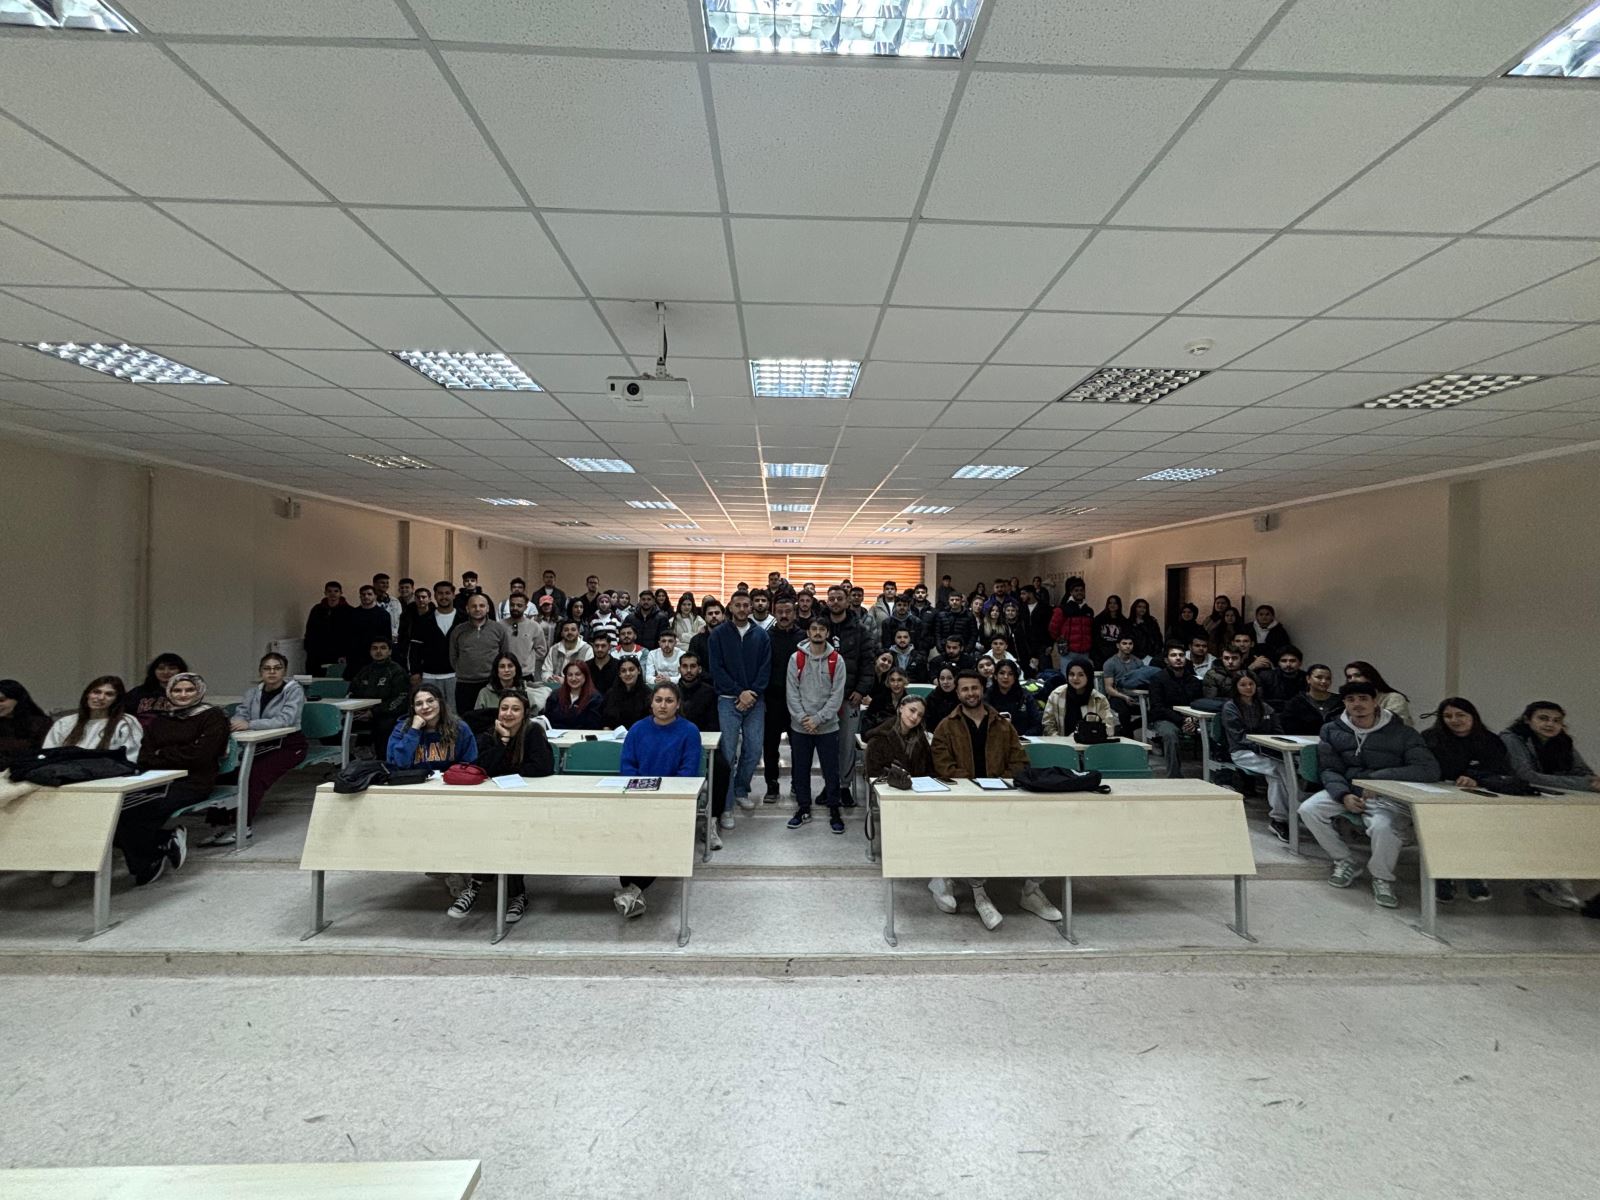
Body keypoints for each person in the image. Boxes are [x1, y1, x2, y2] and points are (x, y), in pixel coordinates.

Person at [928, 672, 1060, 929]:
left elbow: (1019, 761)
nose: (970, 693)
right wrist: (975, 784)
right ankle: (980, 894)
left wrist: (1000, 781)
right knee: (974, 837)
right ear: (957, 693)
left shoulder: (1002, 724)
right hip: (965, 799)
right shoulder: (946, 726)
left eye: (974, 688)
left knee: (1043, 830)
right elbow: (943, 766)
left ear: (982, 689)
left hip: (1001, 796)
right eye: (965, 689)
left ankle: (1031, 891)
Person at [1297, 682, 1439, 909]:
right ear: (1344, 703)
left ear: (1375, 702)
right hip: (1348, 789)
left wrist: (1377, 781)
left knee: (1383, 827)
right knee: (1309, 809)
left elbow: (1428, 769)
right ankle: (1345, 860)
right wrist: (1343, 795)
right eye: (1351, 700)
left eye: (1363, 699)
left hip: (1386, 795)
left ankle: (1382, 877)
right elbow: (1330, 769)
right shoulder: (1332, 730)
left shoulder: (1403, 733)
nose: (1357, 704)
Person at [613, 681, 703, 918]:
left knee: (653, 839)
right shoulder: (637, 729)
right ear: (651, 703)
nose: (663, 705)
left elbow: (688, 771)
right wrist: (641, 794)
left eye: (669, 701)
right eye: (659, 700)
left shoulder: (689, 731)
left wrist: (663, 796)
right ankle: (630, 889)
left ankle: (632, 890)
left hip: (672, 801)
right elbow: (627, 766)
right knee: (630, 840)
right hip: (638, 798)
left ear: (678, 705)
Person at [131, 673, 230, 885]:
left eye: (189, 690)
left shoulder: (213, 716)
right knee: (122, 811)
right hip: (155, 779)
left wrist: (163, 754)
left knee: (146, 810)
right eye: (177, 690)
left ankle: (147, 862)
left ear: (199, 691)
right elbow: (145, 756)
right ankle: (162, 842)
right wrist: (181, 753)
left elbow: (202, 755)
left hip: (194, 781)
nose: (183, 695)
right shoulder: (161, 719)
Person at [1501, 701, 1600, 911]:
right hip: (1516, 802)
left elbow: (1584, 773)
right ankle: (1551, 883)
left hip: (1554, 799)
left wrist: (1588, 782)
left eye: (1556, 721)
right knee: (1554, 830)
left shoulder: (1563, 741)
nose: (1550, 724)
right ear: (1527, 720)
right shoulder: (1512, 739)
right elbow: (1526, 776)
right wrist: (1583, 784)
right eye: (1543, 718)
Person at [201, 652, 307, 844]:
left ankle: (243, 826)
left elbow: (286, 720)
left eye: (277, 668)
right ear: (260, 671)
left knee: (254, 775)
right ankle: (219, 826)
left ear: (284, 671)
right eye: (267, 668)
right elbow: (241, 714)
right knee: (227, 772)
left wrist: (250, 724)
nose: (272, 672)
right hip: (259, 743)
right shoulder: (253, 693)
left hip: (289, 745)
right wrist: (237, 722)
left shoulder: (293, 691)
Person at [1421, 698, 1511, 904]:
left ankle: (1473, 874)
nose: (1454, 720)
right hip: (1438, 795)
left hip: (1479, 796)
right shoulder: (1430, 738)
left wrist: (1476, 778)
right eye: (1448, 716)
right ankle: (1443, 876)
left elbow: (1500, 770)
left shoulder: (1490, 741)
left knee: (1475, 827)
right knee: (1442, 824)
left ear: (1473, 716)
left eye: (1460, 715)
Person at [708, 590, 771, 824]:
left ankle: (741, 789)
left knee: (754, 750)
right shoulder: (718, 635)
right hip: (727, 700)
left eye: (746, 605)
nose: (743, 609)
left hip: (755, 700)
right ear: (731, 607)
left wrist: (751, 693)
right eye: (738, 605)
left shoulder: (761, 635)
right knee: (727, 753)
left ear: (751, 607)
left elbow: (765, 668)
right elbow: (716, 669)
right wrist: (739, 692)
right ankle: (726, 807)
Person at [785, 616, 848, 833]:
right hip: (800, 726)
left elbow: (836, 696)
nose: (818, 632)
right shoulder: (796, 659)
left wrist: (818, 719)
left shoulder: (837, 660)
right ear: (808, 632)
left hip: (828, 727)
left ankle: (834, 809)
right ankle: (803, 808)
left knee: (831, 771)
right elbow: (792, 692)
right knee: (800, 770)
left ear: (828, 633)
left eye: (822, 629)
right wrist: (804, 718)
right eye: (814, 629)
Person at [1220, 673, 1291, 842]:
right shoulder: (1230, 707)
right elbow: (1238, 737)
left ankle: (1285, 815)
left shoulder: (1265, 707)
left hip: (1267, 751)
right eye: (1243, 685)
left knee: (1284, 769)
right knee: (1277, 770)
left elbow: (1277, 731)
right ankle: (1282, 817)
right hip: (1242, 752)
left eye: (1251, 684)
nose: (1248, 688)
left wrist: (1272, 744)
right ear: (1236, 687)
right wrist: (1260, 745)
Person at [761, 596, 804, 804]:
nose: (784, 615)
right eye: (780, 612)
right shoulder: (765, 637)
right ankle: (772, 785)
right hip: (772, 700)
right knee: (770, 746)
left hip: (798, 701)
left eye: (788, 611)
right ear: (774, 613)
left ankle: (798, 783)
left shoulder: (804, 638)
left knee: (799, 746)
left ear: (794, 613)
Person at [42, 676, 142, 761]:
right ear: (87, 694)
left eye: (109, 694)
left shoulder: (125, 722)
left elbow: (130, 758)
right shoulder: (64, 723)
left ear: (117, 699)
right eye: (96, 692)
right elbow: (47, 755)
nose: (101, 697)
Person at [386, 683, 479, 768]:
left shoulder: (460, 727)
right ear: (413, 708)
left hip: (450, 780)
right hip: (414, 779)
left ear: (440, 702)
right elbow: (398, 764)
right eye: (419, 704)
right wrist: (414, 730)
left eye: (430, 701)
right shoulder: (402, 729)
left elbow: (470, 763)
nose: (425, 707)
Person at [1147, 642, 1204, 778]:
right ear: (1166, 660)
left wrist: (1193, 720)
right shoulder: (1157, 679)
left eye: (1181, 655)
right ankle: (1174, 776)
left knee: (1212, 731)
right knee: (1170, 735)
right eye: (1173, 655)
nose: (1178, 658)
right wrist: (1182, 720)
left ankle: (1216, 776)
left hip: (1191, 718)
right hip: (1165, 718)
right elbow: (1158, 707)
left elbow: (1199, 703)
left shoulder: (1194, 681)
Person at [448, 592, 510, 715]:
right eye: (474, 606)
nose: (477, 609)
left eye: (481, 606)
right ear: (467, 609)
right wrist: (464, 671)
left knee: (491, 719)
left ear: (487, 608)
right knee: (466, 719)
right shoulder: (458, 630)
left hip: (491, 684)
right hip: (465, 685)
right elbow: (453, 657)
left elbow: (504, 655)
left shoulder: (498, 629)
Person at [348, 636, 410, 748]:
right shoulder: (364, 671)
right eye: (375, 648)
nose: (378, 651)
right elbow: (352, 691)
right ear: (370, 652)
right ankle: (348, 755)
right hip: (361, 713)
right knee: (333, 724)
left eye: (383, 648)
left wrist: (373, 712)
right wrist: (357, 711)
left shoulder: (397, 671)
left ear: (389, 651)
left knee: (384, 727)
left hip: (387, 714)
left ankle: (382, 757)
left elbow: (400, 699)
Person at [410, 582, 463, 694]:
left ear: (453, 595)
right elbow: (415, 649)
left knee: (455, 706)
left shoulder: (464, 619)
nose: (444, 597)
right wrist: (415, 672)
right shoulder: (423, 620)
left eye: (447, 593)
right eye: (440, 593)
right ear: (434, 596)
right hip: (429, 676)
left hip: (457, 676)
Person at [865, 694, 934, 778]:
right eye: (912, 710)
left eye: (920, 715)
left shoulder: (920, 739)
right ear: (901, 708)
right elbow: (874, 774)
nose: (915, 717)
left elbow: (930, 770)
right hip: (889, 785)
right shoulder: (879, 738)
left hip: (919, 785)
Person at [1041, 661, 1114, 737]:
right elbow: (1047, 725)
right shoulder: (1056, 695)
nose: (1075, 678)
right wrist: (1061, 740)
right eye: (1071, 674)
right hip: (1059, 743)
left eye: (1081, 675)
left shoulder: (1099, 699)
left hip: (1090, 743)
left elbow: (1109, 727)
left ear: (1088, 676)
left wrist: (1089, 735)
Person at [304, 581, 353, 676]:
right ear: (325, 593)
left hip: (339, 653)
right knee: (315, 677)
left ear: (341, 593)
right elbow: (310, 630)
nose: (332, 594)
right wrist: (309, 647)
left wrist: (346, 654)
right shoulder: (317, 609)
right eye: (329, 591)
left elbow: (351, 635)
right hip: (317, 652)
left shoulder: (349, 611)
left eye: (336, 591)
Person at [0, 679, 52, 769]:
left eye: (1, 700)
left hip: (29, 770)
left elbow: (45, 754)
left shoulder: (40, 723)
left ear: (18, 699)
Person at [125, 653, 188, 726]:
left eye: (172, 668)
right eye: (161, 668)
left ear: (181, 671)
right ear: (154, 671)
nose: (166, 672)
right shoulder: (138, 692)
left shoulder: (189, 693)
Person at [345, 585, 393, 680]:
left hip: (376, 656)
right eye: (363, 594)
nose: (366, 596)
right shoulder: (352, 614)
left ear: (375, 596)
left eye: (369, 594)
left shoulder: (384, 615)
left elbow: (387, 638)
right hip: (356, 657)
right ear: (360, 596)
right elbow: (348, 636)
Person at [1344, 661, 1413, 727]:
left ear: (1369, 677)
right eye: (1349, 677)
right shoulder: (1348, 700)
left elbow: (1396, 724)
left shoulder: (1393, 698)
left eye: (1357, 675)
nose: (1353, 680)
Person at [501, 592, 549, 682]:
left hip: (526, 674)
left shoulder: (534, 626)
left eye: (519, 605)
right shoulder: (500, 625)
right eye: (512, 605)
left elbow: (542, 650)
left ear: (526, 607)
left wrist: (528, 660)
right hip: (504, 673)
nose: (515, 608)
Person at [985, 661, 1041, 735]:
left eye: (1010, 674)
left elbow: (1037, 724)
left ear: (1015, 677)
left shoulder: (1025, 696)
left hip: (1022, 738)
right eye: (1002, 673)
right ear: (995, 676)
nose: (1006, 677)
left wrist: (1023, 737)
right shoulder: (987, 696)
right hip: (994, 738)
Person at [1282, 663, 1341, 735]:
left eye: (1328, 678)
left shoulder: (1340, 702)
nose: (1324, 681)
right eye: (1319, 677)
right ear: (1308, 679)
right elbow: (1289, 728)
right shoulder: (1295, 703)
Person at [545, 661, 605, 731]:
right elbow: (546, 718)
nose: (573, 678)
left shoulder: (595, 698)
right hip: (555, 736)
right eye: (570, 675)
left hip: (582, 736)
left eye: (578, 674)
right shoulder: (555, 695)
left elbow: (593, 725)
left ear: (585, 676)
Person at [1048, 577, 1094, 666]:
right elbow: (1053, 628)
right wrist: (1060, 640)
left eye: (1081, 590)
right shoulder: (1062, 609)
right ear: (1071, 592)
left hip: (1085, 652)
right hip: (1068, 653)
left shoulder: (1089, 610)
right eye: (1076, 590)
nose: (1079, 592)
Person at [541, 618, 595, 692]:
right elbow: (546, 671)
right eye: (566, 630)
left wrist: (565, 681)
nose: (569, 632)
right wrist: (549, 678)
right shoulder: (554, 649)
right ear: (562, 633)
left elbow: (587, 675)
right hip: (554, 687)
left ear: (578, 632)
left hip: (579, 689)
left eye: (573, 630)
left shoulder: (587, 649)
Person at [602, 658, 652, 729]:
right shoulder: (611, 694)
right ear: (619, 674)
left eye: (631, 670)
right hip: (613, 734)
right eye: (623, 671)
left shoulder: (648, 694)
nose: (627, 674)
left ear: (639, 671)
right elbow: (605, 720)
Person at [1198, 648, 1247, 714]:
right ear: (1221, 659)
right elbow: (1210, 700)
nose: (1230, 661)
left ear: (1241, 659)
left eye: (1234, 658)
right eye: (1226, 658)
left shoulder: (1249, 674)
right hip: (1221, 711)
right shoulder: (1212, 675)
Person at [931, 592, 978, 657]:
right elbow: (937, 633)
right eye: (952, 600)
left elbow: (973, 634)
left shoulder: (969, 616)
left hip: (963, 650)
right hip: (944, 649)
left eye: (957, 600)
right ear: (948, 601)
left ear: (961, 601)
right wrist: (940, 649)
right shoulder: (941, 615)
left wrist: (967, 650)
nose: (954, 602)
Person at [866, 668, 913, 733]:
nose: (896, 684)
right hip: (879, 734)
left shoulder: (910, 702)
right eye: (892, 680)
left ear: (905, 681)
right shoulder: (878, 700)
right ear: (888, 682)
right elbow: (868, 721)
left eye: (899, 680)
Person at [1091, 595, 1127, 667]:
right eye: (1110, 603)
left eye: (1115, 603)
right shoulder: (1099, 619)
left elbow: (1124, 638)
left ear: (1119, 605)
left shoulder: (1124, 621)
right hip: (1100, 655)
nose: (1112, 605)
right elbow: (1094, 637)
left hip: (1116, 655)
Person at [687, 599, 723, 668]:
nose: (714, 616)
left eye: (717, 613)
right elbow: (693, 666)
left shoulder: (731, 638)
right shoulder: (696, 641)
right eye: (710, 613)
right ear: (705, 617)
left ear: (723, 616)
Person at [1126, 598, 1164, 662]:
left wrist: (1155, 653)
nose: (1142, 609)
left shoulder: (1152, 622)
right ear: (1134, 608)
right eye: (1139, 607)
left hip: (1152, 655)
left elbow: (1158, 638)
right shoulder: (1128, 623)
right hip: (1134, 656)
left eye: (1144, 607)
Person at [924, 665, 960, 729]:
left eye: (949, 678)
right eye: (942, 679)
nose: (945, 682)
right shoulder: (932, 698)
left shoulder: (961, 697)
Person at [372, 572, 402, 640]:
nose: (385, 585)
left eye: (387, 583)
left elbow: (399, 620)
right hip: (375, 638)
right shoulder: (369, 602)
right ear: (374, 584)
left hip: (393, 638)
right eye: (382, 583)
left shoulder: (395, 601)